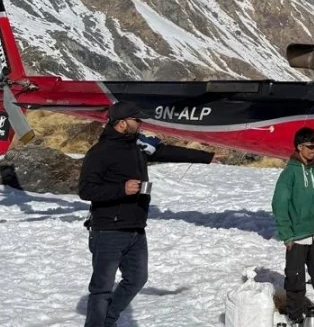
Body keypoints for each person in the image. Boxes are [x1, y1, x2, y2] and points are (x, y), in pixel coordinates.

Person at [77, 101, 216, 327]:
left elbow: (165, 151)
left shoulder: (138, 145)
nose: (141, 124)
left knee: (137, 279)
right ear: (122, 123)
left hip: (135, 229)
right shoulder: (100, 152)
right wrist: (121, 189)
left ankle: (106, 321)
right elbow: (85, 189)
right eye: (137, 120)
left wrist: (206, 157)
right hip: (108, 231)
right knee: (102, 288)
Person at [272, 127, 314, 325]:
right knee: (295, 279)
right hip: (297, 238)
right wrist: (287, 234)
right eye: (310, 146)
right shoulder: (288, 174)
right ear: (299, 147)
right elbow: (279, 204)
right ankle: (295, 315)